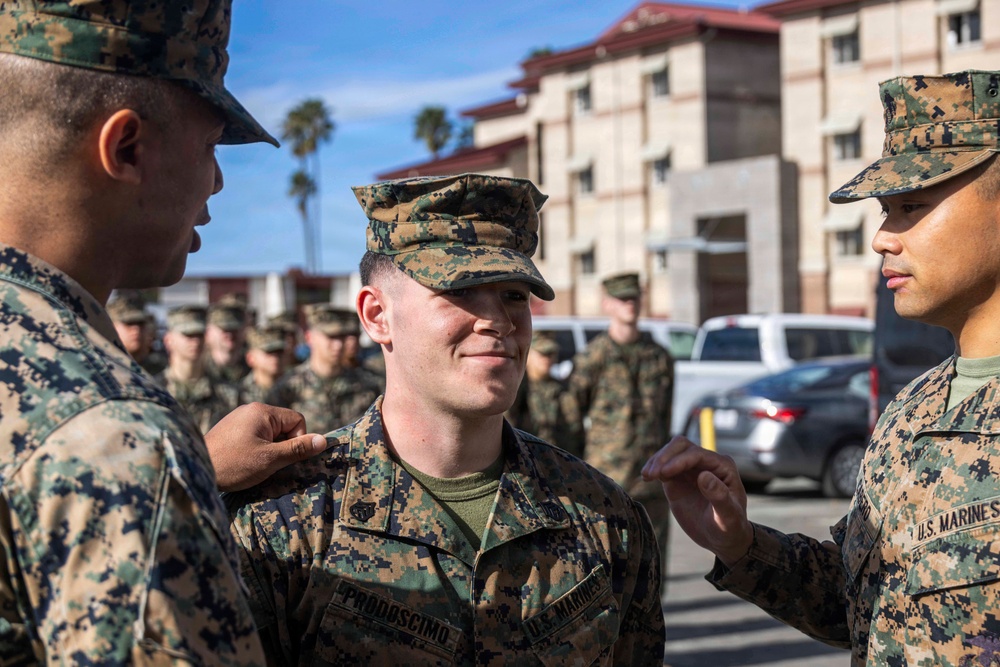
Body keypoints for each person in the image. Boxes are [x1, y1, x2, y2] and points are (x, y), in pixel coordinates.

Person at [227, 173, 665, 665]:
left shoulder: (605, 516)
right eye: (460, 289)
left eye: (515, 295)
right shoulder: (282, 523)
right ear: (376, 316)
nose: (498, 320)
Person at [0, 2, 325, 661]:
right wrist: (162, 476)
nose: (217, 180)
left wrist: (194, 469)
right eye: (209, 146)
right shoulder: (118, 437)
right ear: (127, 148)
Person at [643, 70, 1000, 666]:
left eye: (912, 206)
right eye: (886, 212)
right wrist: (742, 543)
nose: (883, 238)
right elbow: (869, 602)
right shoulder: (913, 409)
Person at [568, 271, 675, 589]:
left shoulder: (659, 357)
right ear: (607, 304)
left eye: (634, 297)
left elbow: (665, 416)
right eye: (622, 299)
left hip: (651, 482)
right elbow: (573, 418)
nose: (630, 304)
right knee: (604, 573)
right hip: (605, 480)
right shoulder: (592, 358)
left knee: (650, 576)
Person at [270, 304, 381, 432]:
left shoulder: (368, 384)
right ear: (309, 337)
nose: (338, 345)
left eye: (341, 337)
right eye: (331, 337)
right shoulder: (288, 387)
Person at [157, 305, 240, 433]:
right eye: (188, 335)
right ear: (169, 340)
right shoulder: (156, 390)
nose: (195, 341)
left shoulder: (227, 395)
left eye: (199, 335)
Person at [505, 331, 583, 458]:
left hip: (558, 462)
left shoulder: (563, 389)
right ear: (528, 355)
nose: (548, 359)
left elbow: (575, 432)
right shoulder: (516, 388)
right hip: (526, 461)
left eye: (552, 354)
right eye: (542, 354)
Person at [107, 292, 166, 375]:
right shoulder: (104, 367)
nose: (136, 329)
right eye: (129, 323)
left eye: (141, 323)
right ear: (112, 327)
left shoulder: (163, 371)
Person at [206, 294, 251, 384]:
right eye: (224, 329)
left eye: (235, 329)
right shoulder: (199, 370)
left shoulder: (256, 367)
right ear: (209, 332)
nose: (230, 334)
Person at [240, 323, 288, 404]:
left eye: (279, 351)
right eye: (269, 351)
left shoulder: (296, 389)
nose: (275, 357)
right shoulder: (240, 394)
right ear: (250, 358)